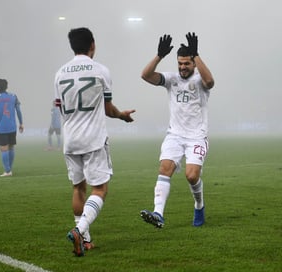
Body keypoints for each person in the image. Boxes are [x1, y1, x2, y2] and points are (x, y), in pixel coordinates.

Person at [54, 27, 135, 257]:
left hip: (70, 139)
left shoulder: (60, 73)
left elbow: (60, 107)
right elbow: (108, 109)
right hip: (93, 138)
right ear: (93, 44)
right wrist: (122, 115)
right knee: (99, 188)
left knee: (78, 188)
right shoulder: (101, 71)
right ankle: (80, 230)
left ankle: (86, 240)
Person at [140, 32, 215, 228]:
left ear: (194, 64)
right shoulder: (171, 79)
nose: (182, 67)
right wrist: (159, 56)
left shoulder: (200, 81)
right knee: (165, 168)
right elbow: (145, 75)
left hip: (197, 137)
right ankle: (158, 214)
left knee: (191, 175)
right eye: (180, 63)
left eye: (186, 64)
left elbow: (211, 82)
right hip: (174, 135)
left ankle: (199, 205)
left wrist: (197, 54)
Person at [0, 79, 24, 177]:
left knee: (4, 148)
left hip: (1, 127)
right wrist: (21, 123)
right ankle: (9, 169)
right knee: (11, 147)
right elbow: (18, 111)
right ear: (7, 86)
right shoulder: (13, 97)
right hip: (12, 126)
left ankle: (7, 171)